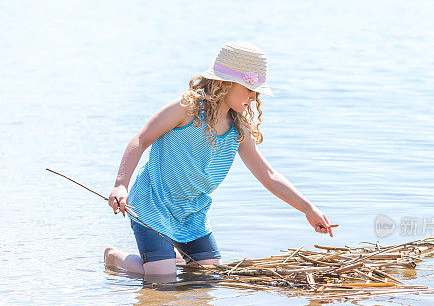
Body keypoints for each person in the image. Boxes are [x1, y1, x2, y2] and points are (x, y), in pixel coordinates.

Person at [104, 40, 333, 278]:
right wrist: (121, 184)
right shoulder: (185, 109)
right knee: (162, 279)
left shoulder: (238, 130)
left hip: (192, 211)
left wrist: (308, 208)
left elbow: (268, 175)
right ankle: (115, 257)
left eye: (256, 92)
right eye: (248, 89)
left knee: (207, 276)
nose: (253, 97)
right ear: (225, 84)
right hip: (154, 204)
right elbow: (140, 140)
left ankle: (170, 255)